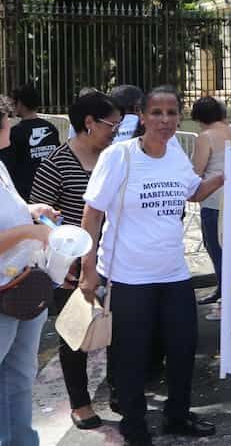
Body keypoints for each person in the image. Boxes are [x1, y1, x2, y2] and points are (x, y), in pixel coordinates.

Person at [80, 86, 223, 446]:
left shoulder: (176, 153)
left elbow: (192, 192)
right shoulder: (119, 156)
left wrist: (225, 176)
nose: (165, 120)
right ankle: (134, 423)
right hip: (128, 276)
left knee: (181, 347)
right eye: (156, 113)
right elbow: (93, 212)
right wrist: (88, 268)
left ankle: (177, 416)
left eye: (172, 112)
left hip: (173, 273)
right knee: (131, 354)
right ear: (141, 117)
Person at [29, 91, 121, 431]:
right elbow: (41, 215)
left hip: (116, 260)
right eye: (112, 124)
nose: (116, 131)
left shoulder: (116, 158)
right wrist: (68, 256)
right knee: (75, 334)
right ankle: (80, 403)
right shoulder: (56, 162)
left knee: (120, 329)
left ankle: (120, 391)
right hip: (71, 264)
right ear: (89, 123)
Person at [0, 95, 61, 445]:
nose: (12, 123)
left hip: (24, 285)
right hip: (5, 291)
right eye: (7, 120)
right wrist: (29, 230)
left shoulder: (2, 165)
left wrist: (34, 211)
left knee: (21, 374)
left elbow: (15, 209)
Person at [188, 97, 231, 315]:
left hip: (212, 199)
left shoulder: (206, 137)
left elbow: (198, 170)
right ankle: (225, 291)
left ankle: (225, 302)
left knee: (216, 249)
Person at [5, 84, 61, 198]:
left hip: (26, 195)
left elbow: (7, 167)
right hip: (51, 190)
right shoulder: (51, 128)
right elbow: (58, 158)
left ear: (20, 103)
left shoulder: (15, 133)